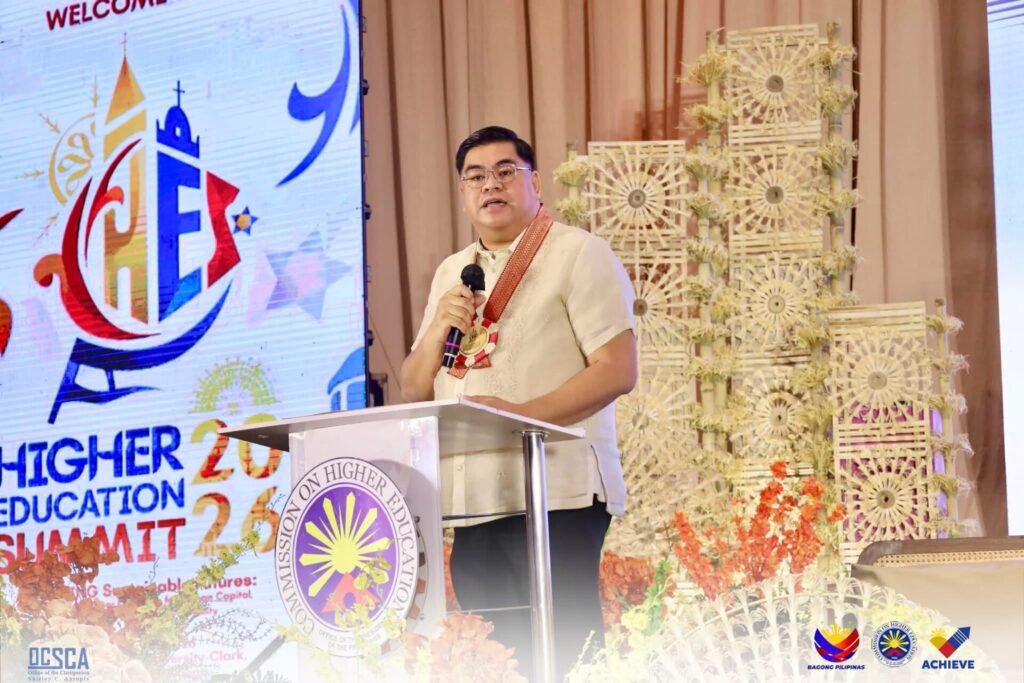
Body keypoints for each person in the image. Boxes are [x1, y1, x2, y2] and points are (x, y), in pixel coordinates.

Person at [400, 125, 637, 679]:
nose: (491, 184)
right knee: (495, 659)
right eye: (475, 176)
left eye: (506, 171)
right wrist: (438, 327)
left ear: (535, 182)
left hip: (556, 491)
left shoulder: (579, 253)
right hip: (471, 500)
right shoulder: (453, 272)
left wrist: (515, 420)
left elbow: (617, 370)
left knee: (565, 653)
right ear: (463, 192)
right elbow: (413, 387)